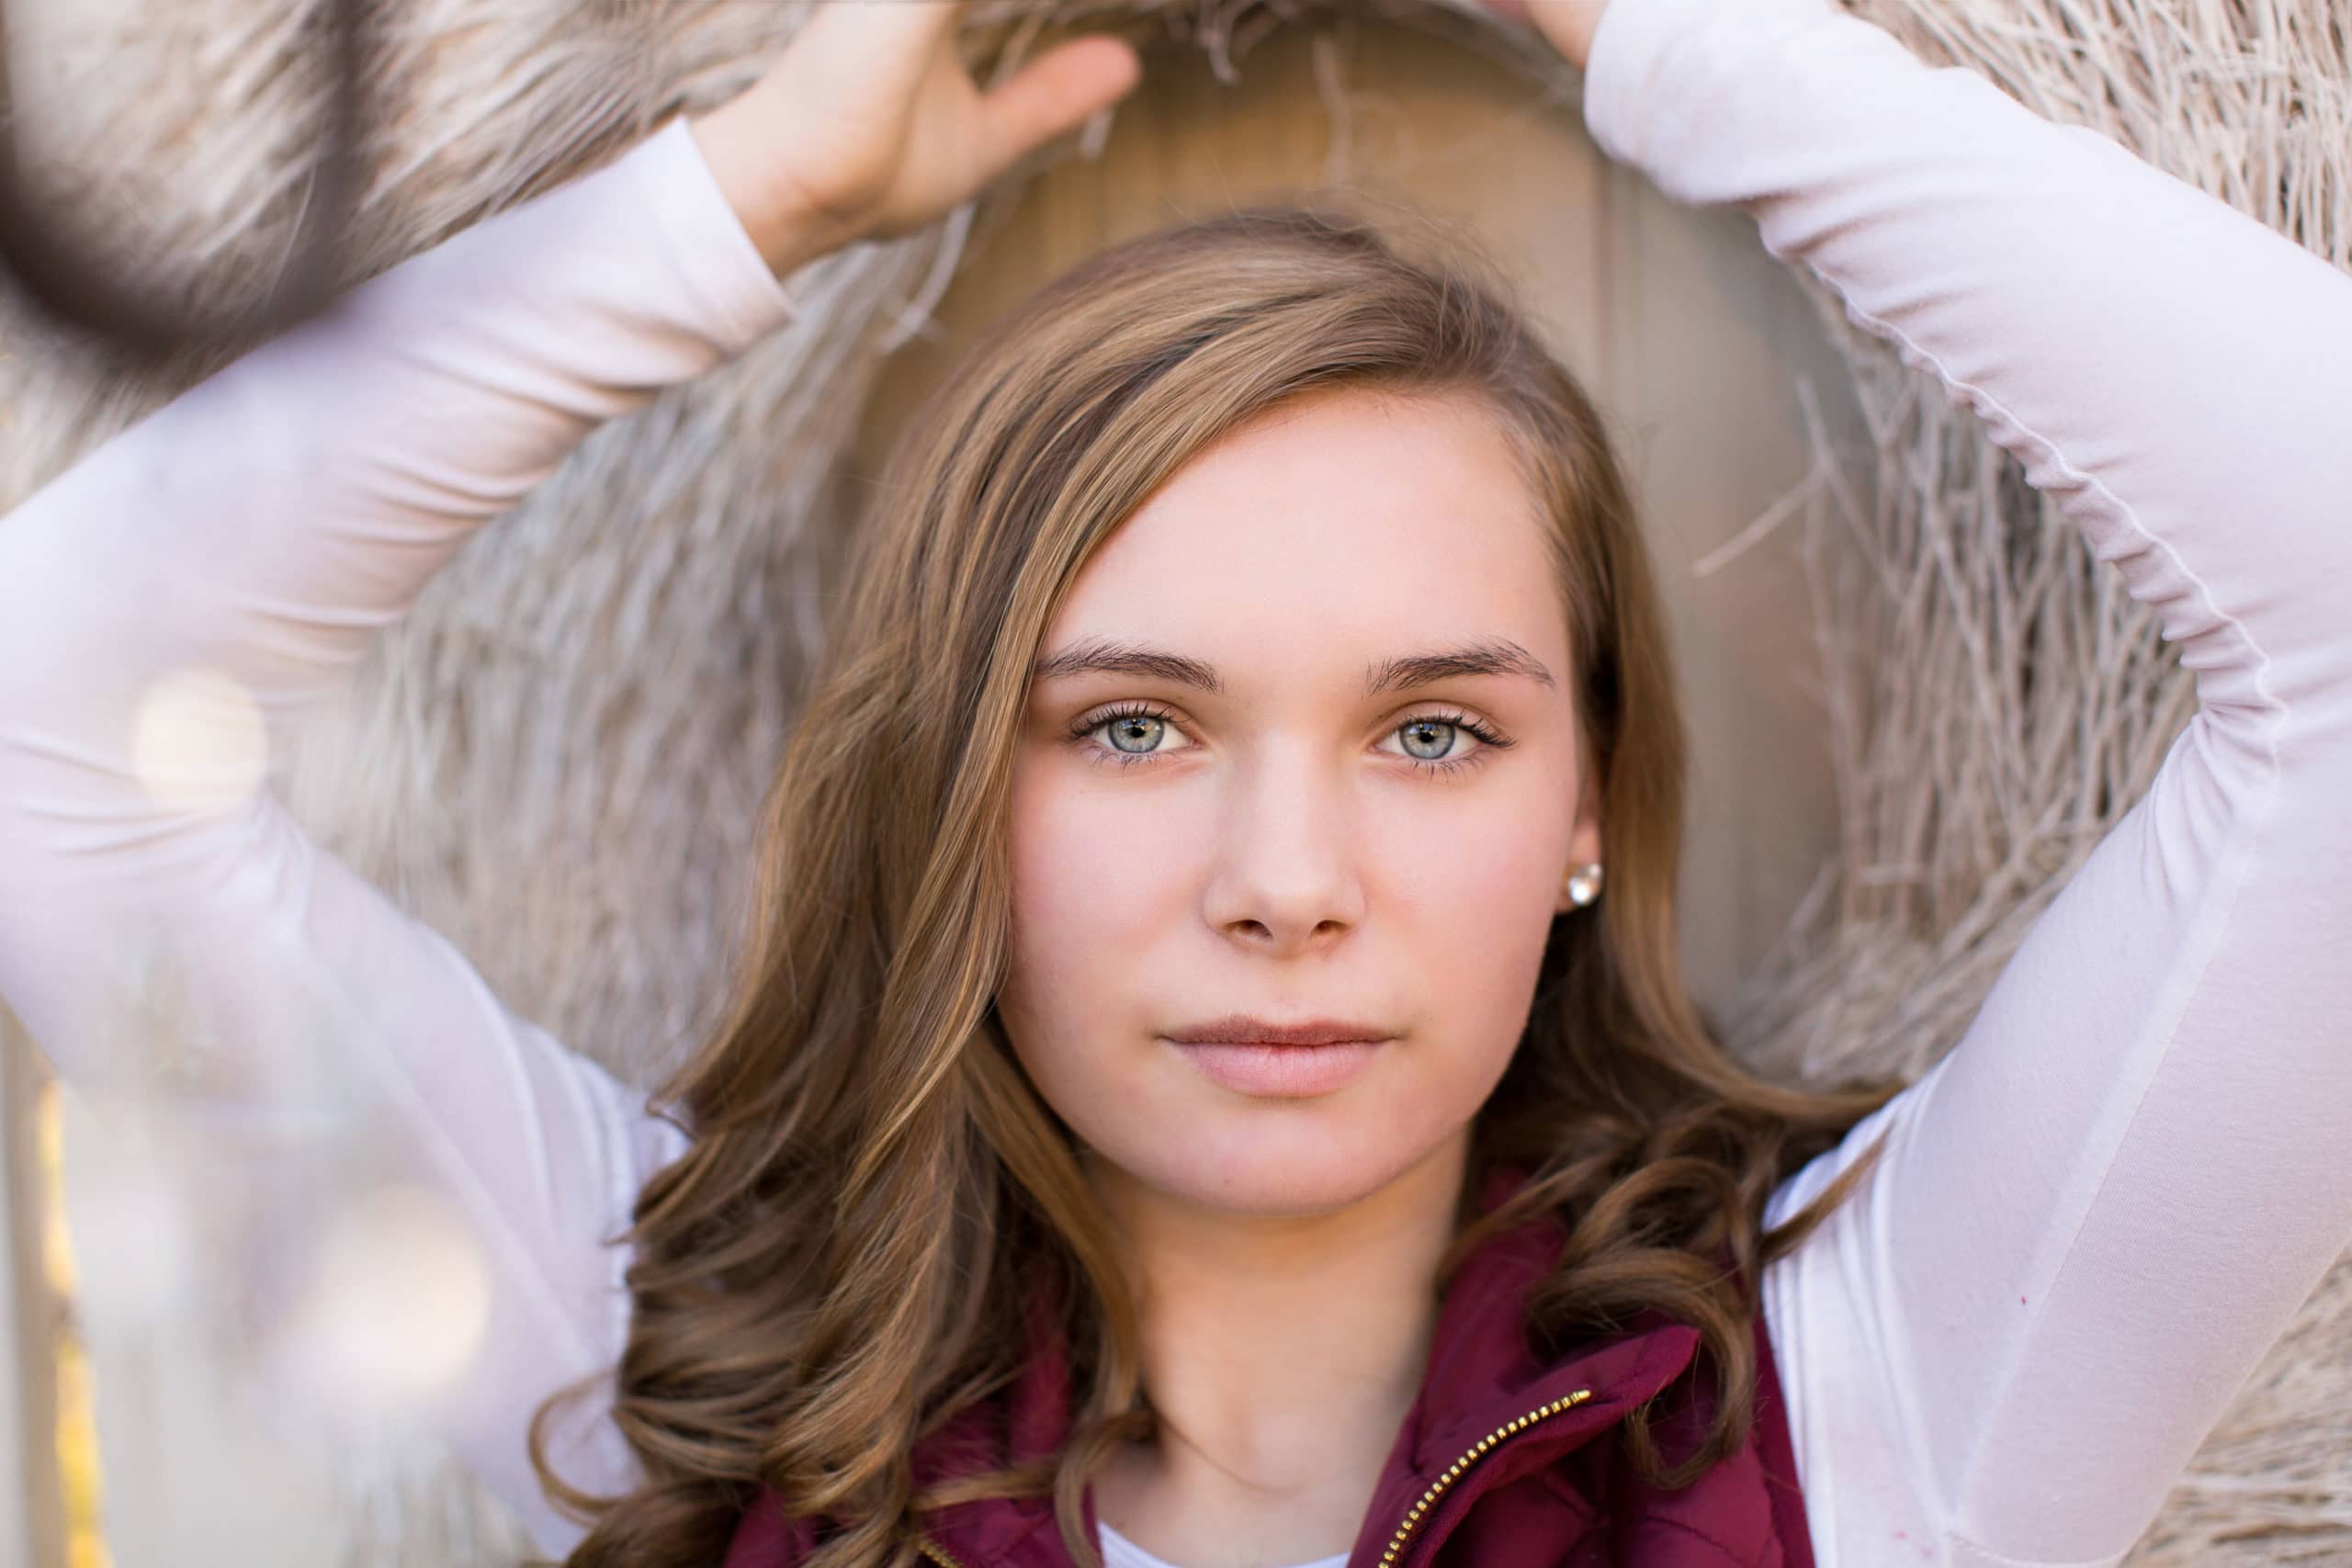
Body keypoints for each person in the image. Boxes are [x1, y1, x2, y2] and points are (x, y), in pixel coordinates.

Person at [2, 0, 2346, 1562]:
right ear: (951, 796)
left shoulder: (1869, 1405)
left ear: (1591, 803)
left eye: (1432, 730)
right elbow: (50, 722)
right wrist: (760, 194)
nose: (1284, 881)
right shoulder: (654, 1384)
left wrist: (1654, 37)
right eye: (1130, 723)